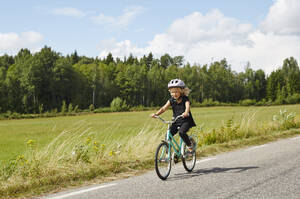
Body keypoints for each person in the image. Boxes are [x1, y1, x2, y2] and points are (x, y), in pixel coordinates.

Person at [151, 78, 196, 152]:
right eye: (172, 92)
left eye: (176, 92)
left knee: (182, 133)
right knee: (168, 135)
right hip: (176, 121)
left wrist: (185, 113)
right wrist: (156, 114)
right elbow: (163, 108)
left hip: (185, 121)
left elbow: (187, 106)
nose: (174, 94)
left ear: (181, 91)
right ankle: (167, 152)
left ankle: (189, 145)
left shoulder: (185, 99)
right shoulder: (171, 100)